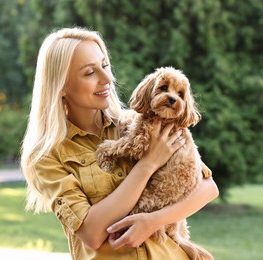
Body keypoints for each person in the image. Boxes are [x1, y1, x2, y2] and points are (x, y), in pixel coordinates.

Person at [20, 27, 219, 260]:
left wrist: (153, 221)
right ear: (61, 86)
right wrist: (149, 163)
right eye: (89, 73)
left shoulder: (139, 123)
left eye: (105, 66)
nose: (107, 79)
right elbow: (92, 233)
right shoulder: (47, 156)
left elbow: (208, 188)